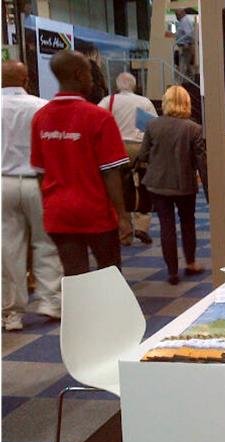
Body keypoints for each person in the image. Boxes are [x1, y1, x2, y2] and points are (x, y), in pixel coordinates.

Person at [30, 50, 131, 276]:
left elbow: (40, 172)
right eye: (89, 73)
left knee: (74, 276)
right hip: (96, 212)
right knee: (110, 276)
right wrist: (123, 216)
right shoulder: (99, 117)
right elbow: (111, 173)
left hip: (58, 213)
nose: (92, 80)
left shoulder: (40, 117)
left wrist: (49, 205)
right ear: (78, 75)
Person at [2, 60, 63, 331]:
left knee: (8, 249)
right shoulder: (42, 107)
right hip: (37, 182)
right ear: (26, 79)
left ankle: (11, 313)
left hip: (3, 183)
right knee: (46, 242)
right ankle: (51, 301)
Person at [139, 85, 208, 285]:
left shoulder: (152, 125)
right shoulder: (193, 128)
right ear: (187, 103)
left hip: (157, 184)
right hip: (184, 184)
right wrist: (209, 191)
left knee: (166, 225)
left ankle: (172, 271)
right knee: (188, 223)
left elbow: (143, 155)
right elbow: (201, 163)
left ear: (165, 103)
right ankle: (191, 263)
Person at [99, 72, 158, 245]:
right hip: (140, 147)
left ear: (117, 85)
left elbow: (97, 121)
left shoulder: (108, 101)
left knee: (118, 188)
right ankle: (141, 225)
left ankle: (123, 228)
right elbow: (153, 126)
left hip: (116, 148)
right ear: (134, 85)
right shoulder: (144, 102)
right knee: (142, 185)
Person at [174, 8, 195, 79]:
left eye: (177, 14)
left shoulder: (185, 21)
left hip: (185, 46)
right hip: (183, 46)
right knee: (185, 67)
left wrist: (186, 43)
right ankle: (187, 80)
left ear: (182, 13)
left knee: (184, 67)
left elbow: (189, 34)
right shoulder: (183, 21)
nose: (176, 16)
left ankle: (184, 82)